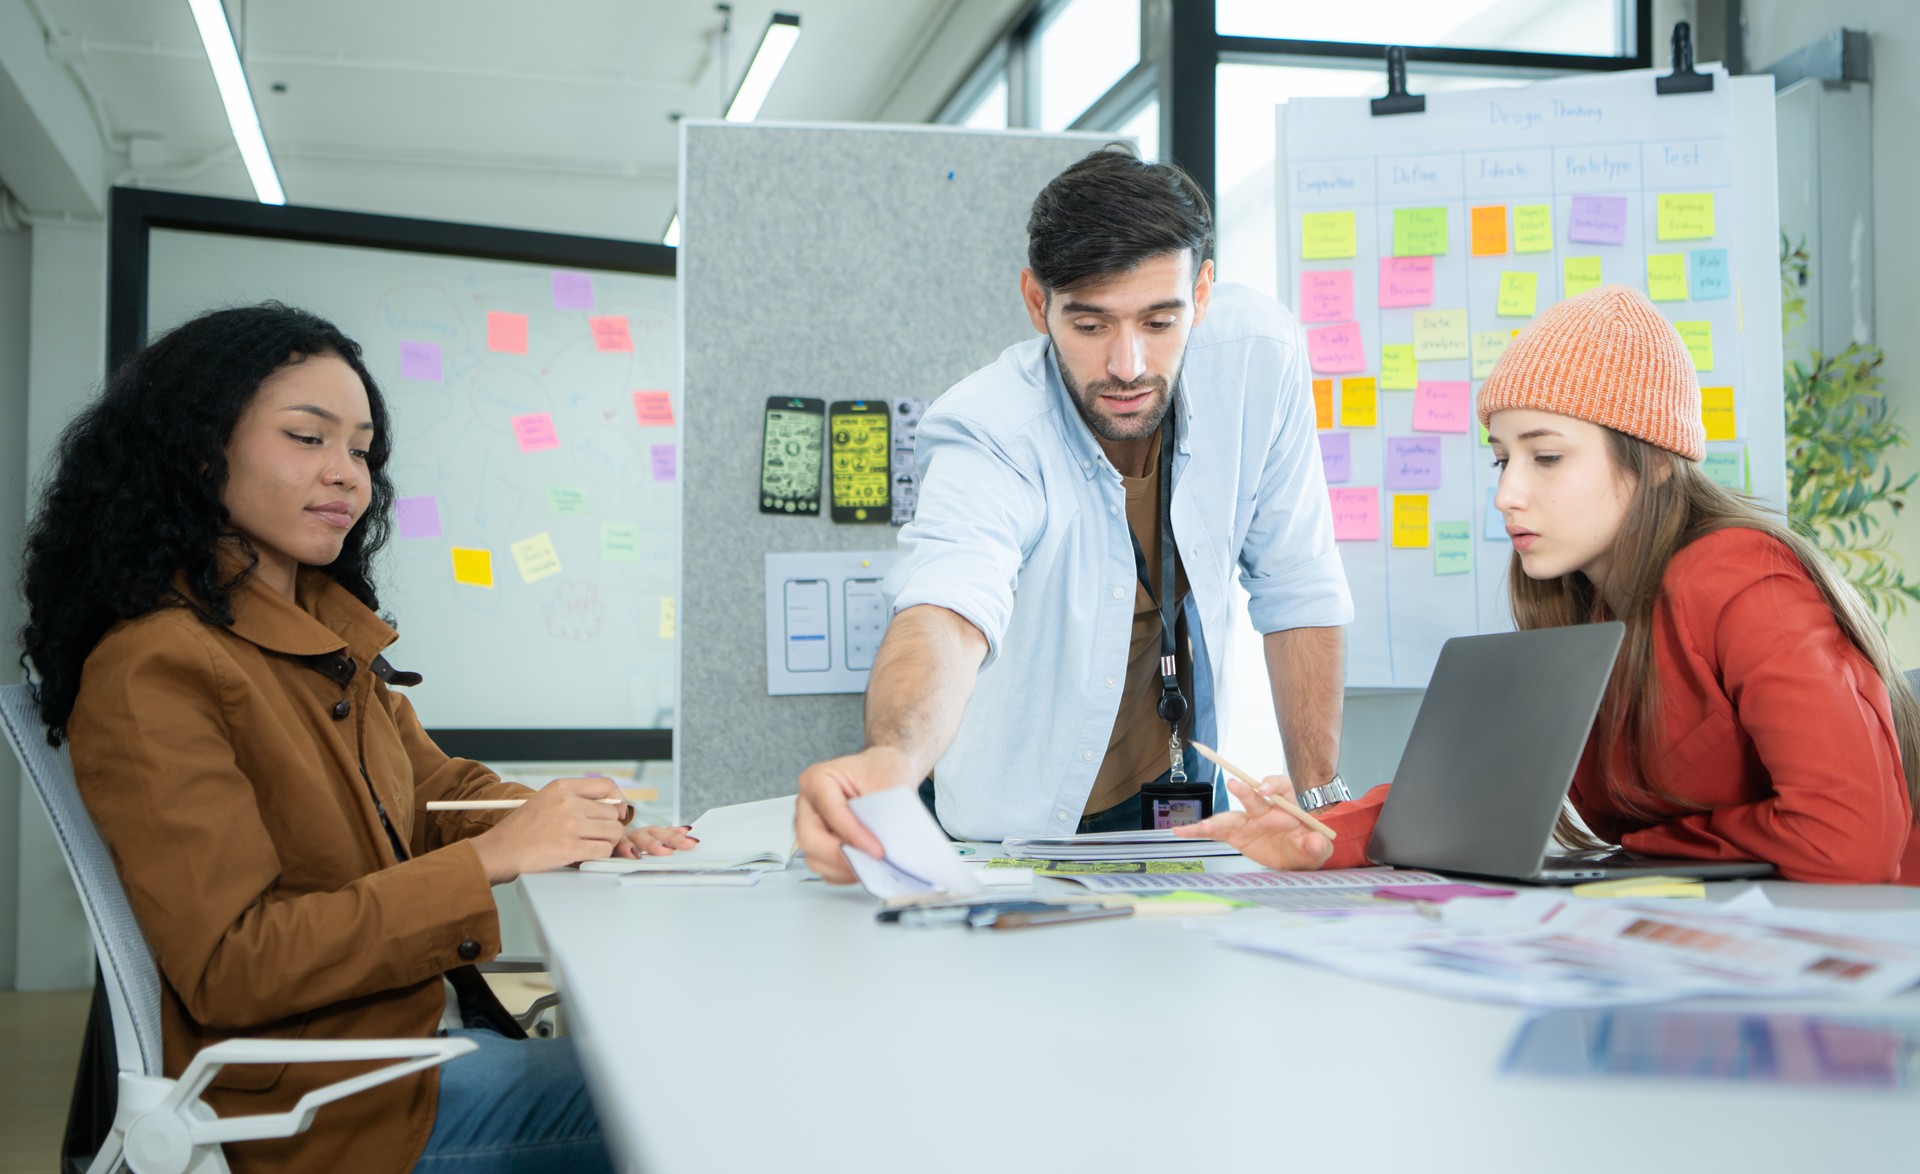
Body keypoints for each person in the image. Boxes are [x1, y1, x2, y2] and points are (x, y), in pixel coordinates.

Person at [19, 303, 697, 1174]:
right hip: (319, 1130)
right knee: (698, 1100)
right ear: (196, 450)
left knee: (677, 1101)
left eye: (364, 449)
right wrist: (496, 858)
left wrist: (563, 819)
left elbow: (432, 789)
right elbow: (231, 964)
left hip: (396, 1060)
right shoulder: (157, 667)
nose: (347, 473)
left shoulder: (319, 634)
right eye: (307, 438)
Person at [1179, 284, 1920, 885]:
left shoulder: (1739, 576)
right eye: (1503, 459)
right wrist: (1317, 835)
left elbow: (1850, 842)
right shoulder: (1577, 605)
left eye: (1548, 457)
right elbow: (1480, 798)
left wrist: (1650, 847)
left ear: (1656, 460)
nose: (1508, 493)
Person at [796, 147, 1353, 879]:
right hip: (1019, 826)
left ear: (1204, 292)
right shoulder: (991, 426)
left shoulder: (1259, 359)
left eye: (1160, 321)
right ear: (1037, 303)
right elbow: (949, 607)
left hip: (1183, 798)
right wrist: (891, 759)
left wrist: (1324, 808)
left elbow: (1297, 582)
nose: (1127, 365)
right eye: (1090, 326)